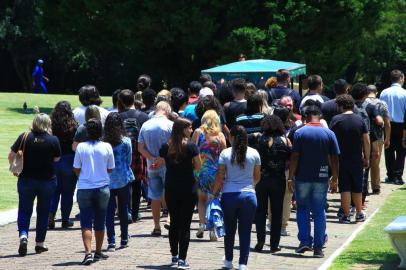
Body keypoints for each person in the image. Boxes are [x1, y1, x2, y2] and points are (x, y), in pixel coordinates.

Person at [288, 105, 339, 258]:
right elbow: (334, 158)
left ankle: (304, 241)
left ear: (304, 117)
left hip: (303, 177)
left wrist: (290, 176)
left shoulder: (300, 133)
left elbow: (295, 156)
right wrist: (335, 177)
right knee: (319, 210)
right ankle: (318, 248)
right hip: (322, 176)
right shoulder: (329, 133)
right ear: (320, 117)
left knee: (302, 209)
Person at [9, 113, 61, 256]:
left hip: (26, 180)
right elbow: (57, 159)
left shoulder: (24, 137)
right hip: (47, 181)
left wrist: (15, 167)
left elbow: (11, 155)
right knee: (43, 212)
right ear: (48, 124)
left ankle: (24, 236)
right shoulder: (53, 140)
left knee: (24, 210)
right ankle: (39, 244)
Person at [212, 126, 261, 270]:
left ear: (231, 137)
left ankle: (228, 261)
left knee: (229, 230)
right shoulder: (254, 153)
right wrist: (250, 185)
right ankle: (243, 264)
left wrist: (214, 193)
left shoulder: (225, 153)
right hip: (249, 195)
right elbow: (257, 177)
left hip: (229, 195)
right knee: (245, 231)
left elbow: (220, 176)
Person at [159, 118, 201, 269]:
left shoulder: (166, 146)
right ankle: (182, 259)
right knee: (185, 224)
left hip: (171, 188)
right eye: (189, 128)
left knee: (174, 223)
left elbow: (162, 160)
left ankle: (174, 256)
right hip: (188, 188)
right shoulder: (191, 147)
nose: (191, 130)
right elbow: (198, 166)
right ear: (182, 129)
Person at [73, 119, 114, 265]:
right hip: (102, 187)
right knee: (100, 220)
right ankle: (98, 251)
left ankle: (88, 252)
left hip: (84, 187)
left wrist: (84, 177)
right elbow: (110, 168)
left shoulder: (81, 147)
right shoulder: (107, 146)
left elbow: (76, 168)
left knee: (85, 221)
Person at [330, 94, 370, 223]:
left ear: (340, 106)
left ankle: (346, 215)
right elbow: (366, 140)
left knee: (345, 187)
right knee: (357, 187)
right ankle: (359, 213)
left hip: (341, 158)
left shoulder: (336, 120)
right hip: (356, 158)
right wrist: (366, 157)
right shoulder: (359, 120)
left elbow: (331, 140)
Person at [255, 115, 291, 253]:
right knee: (276, 212)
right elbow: (290, 158)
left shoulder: (260, 140)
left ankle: (260, 240)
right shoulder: (285, 141)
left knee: (260, 211)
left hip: (262, 179)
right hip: (278, 179)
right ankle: (274, 244)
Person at [138, 101, 174, 236]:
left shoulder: (145, 125)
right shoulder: (171, 125)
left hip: (151, 165)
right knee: (170, 193)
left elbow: (140, 147)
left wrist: (153, 159)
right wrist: (162, 159)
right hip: (168, 164)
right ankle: (170, 219)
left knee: (154, 195)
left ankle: (156, 226)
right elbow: (174, 145)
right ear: (167, 110)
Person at [192, 110, 226, 240]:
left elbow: (192, 149)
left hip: (200, 170)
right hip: (215, 171)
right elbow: (224, 153)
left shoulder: (198, 132)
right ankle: (212, 230)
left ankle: (201, 225)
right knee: (213, 198)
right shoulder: (220, 135)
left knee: (201, 199)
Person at [104, 113, 134, 251]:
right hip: (123, 178)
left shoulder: (103, 142)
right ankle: (124, 238)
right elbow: (128, 161)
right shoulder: (126, 141)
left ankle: (111, 241)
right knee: (123, 209)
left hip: (107, 180)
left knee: (109, 211)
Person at [118, 89, 149, 222]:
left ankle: (126, 211)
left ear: (121, 101)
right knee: (137, 184)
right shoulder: (143, 117)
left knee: (124, 185)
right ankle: (135, 213)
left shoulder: (118, 116)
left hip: (122, 154)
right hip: (139, 154)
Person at [351, 83, 383, 205]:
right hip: (365, 143)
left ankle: (350, 201)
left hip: (349, 143)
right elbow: (379, 121)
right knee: (364, 172)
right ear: (365, 94)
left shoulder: (349, 107)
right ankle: (361, 201)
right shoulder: (370, 107)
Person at [49, 101, 78, 229]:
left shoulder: (51, 125)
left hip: (54, 160)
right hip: (70, 160)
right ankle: (65, 219)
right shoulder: (74, 126)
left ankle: (50, 215)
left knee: (54, 191)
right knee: (67, 192)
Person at [380, 69, 406, 185]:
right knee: (401, 150)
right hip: (402, 124)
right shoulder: (404, 93)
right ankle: (398, 176)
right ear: (401, 78)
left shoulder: (384, 92)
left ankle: (390, 175)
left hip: (387, 124)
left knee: (388, 148)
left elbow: (380, 110)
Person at [364, 85, 391, 194]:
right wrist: (387, 138)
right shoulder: (382, 103)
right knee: (376, 162)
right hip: (378, 136)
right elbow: (387, 122)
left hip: (364, 135)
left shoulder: (362, 102)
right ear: (377, 92)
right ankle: (376, 187)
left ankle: (363, 186)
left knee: (365, 161)